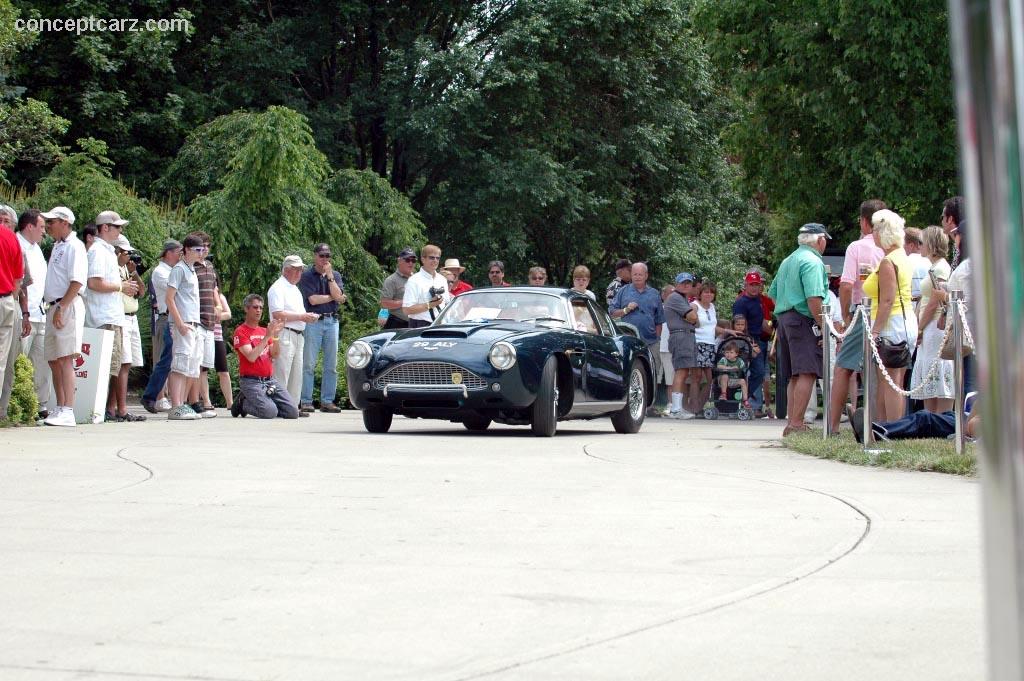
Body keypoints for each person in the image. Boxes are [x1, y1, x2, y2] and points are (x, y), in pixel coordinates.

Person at [827, 199, 887, 434]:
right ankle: (884, 422)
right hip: (889, 312)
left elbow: (846, 284)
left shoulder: (857, 247)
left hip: (863, 310)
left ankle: (832, 426)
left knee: (843, 366)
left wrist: (844, 313)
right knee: (885, 370)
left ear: (864, 221)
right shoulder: (893, 247)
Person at [767, 223, 830, 436]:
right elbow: (814, 299)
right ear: (820, 240)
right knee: (807, 372)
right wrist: (824, 327)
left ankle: (793, 421)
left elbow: (773, 293)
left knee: (795, 374)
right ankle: (796, 423)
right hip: (803, 319)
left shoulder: (788, 260)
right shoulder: (812, 262)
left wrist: (787, 307)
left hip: (785, 319)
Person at [863, 208, 915, 423]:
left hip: (891, 324)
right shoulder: (901, 256)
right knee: (894, 381)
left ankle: (891, 427)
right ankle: (885, 427)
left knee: (890, 381)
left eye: (875, 229)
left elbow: (887, 300)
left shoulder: (888, 262)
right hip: (902, 320)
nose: (872, 233)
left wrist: (874, 331)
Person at [85, 211, 136, 423]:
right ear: (105, 228)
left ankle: (103, 410)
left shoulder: (107, 251)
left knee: (113, 366)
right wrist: (120, 286)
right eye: (117, 227)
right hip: (103, 317)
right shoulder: (98, 251)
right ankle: (98, 410)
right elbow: (94, 283)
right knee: (105, 367)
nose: (120, 231)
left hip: (112, 316)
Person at [40, 206, 86, 427]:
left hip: (65, 305)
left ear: (65, 222)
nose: (48, 225)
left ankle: (68, 409)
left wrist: (62, 307)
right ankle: (60, 406)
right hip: (54, 305)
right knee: (54, 359)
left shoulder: (75, 246)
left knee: (65, 358)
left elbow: (77, 281)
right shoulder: (59, 245)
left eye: (52, 221)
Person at [232, 293, 298, 419]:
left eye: (261, 308)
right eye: (255, 307)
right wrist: (268, 336)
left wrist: (276, 335)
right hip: (251, 381)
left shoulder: (263, 330)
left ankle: (267, 403)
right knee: (269, 412)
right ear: (246, 309)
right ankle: (242, 403)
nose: (259, 310)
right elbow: (251, 357)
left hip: (269, 380)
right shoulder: (241, 331)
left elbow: (275, 354)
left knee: (293, 412)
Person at [298, 243, 347, 413]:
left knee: (331, 365)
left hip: (332, 321)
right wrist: (334, 298)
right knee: (309, 364)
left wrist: (330, 277)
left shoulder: (335, 275)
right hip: (313, 322)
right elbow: (313, 300)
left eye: (327, 256)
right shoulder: (306, 275)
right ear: (315, 256)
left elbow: (339, 297)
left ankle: (327, 401)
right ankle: (306, 400)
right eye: (322, 256)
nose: (325, 259)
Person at [910, 226, 954, 413]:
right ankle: (931, 416)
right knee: (929, 372)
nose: (920, 246)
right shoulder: (933, 267)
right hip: (929, 327)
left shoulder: (941, 268)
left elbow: (935, 301)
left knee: (937, 369)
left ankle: (941, 416)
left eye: (922, 242)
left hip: (935, 327)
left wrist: (918, 328)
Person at [105, 232, 147, 422]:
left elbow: (141, 291)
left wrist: (134, 272)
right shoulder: (113, 268)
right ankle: (118, 408)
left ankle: (115, 407)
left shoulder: (125, 269)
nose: (129, 257)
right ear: (117, 251)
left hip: (132, 317)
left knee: (126, 363)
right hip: (119, 317)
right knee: (122, 363)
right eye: (126, 253)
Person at [611, 263, 665, 408]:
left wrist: (657, 338)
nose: (637, 277)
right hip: (630, 342)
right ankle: (629, 405)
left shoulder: (654, 294)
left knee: (652, 373)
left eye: (640, 274)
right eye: (635, 274)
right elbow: (612, 312)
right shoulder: (623, 291)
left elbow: (659, 320)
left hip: (651, 342)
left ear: (646, 276)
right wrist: (626, 310)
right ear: (631, 275)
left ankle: (650, 406)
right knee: (630, 372)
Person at [269, 255, 318, 413]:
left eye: (301, 270)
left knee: (296, 373)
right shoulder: (278, 288)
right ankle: (279, 405)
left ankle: (292, 406)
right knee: (282, 371)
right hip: (284, 333)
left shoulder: (294, 289)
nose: (299, 273)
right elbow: (277, 314)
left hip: (298, 334)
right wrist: (302, 317)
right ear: (286, 270)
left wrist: (306, 317)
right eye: (296, 269)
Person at [165, 234, 205, 421]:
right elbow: (169, 298)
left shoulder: (192, 270)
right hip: (183, 323)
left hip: (194, 323)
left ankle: (181, 403)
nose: (201, 253)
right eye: (197, 250)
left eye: (202, 249)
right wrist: (179, 322)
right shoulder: (179, 270)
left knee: (190, 366)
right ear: (187, 250)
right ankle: (176, 406)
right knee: (179, 364)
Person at [140, 239, 181, 413]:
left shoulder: (174, 271)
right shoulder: (160, 271)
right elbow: (177, 291)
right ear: (169, 252)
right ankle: (154, 396)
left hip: (177, 318)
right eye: (179, 252)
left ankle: (165, 397)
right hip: (166, 318)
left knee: (173, 361)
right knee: (165, 360)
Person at [15, 210, 49, 416]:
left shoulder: (37, 249)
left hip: (40, 313)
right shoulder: (17, 244)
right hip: (22, 314)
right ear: (30, 226)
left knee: (41, 361)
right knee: (19, 360)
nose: (44, 232)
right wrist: (25, 312)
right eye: (41, 227)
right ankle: (17, 404)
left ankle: (40, 404)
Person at [189, 232, 220, 418]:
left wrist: (218, 305)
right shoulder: (191, 267)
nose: (205, 250)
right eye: (202, 246)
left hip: (210, 320)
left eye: (208, 246)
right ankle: (196, 400)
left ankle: (203, 399)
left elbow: (214, 289)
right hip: (197, 319)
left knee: (205, 365)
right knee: (195, 364)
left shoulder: (209, 266)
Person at [732, 271, 772, 416]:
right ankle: (739, 397)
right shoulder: (741, 302)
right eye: (751, 285)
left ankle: (743, 398)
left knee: (759, 373)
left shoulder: (760, 300)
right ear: (746, 285)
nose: (754, 288)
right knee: (756, 372)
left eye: (757, 284)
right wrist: (749, 342)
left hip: (761, 339)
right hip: (747, 341)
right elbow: (738, 325)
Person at [663, 272, 700, 419]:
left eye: (689, 283)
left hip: (686, 335)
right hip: (680, 335)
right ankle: (676, 409)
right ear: (677, 284)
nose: (686, 285)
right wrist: (694, 312)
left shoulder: (683, 299)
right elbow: (692, 317)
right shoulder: (676, 297)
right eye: (683, 282)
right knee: (681, 371)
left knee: (684, 372)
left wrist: (693, 315)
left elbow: (697, 322)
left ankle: (677, 407)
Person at [0, 205, 24, 421]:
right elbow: (18, 278)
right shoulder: (11, 239)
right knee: (2, 361)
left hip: (8, 301)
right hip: (7, 301)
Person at [402, 244, 451, 328]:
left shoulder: (442, 279)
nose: (435, 260)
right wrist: (430, 304)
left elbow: (447, 303)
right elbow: (406, 310)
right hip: (419, 325)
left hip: (440, 324)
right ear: (423, 259)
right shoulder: (414, 280)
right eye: (432, 257)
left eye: (437, 258)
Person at [693, 282, 725, 411]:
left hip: (710, 344)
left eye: (711, 292)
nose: (709, 294)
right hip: (697, 343)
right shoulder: (694, 305)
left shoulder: (712, 307)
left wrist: (728, 331)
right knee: (697, 377)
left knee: (710, 378)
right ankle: (694, 408)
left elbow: (712, 327)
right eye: (706, 292)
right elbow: (692, 320)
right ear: (700, 293)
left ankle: (700, 406)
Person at [380, 248, 416, 329]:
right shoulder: (391, 280)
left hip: (415, 324)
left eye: (413, 260)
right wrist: (406, 302)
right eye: (407, 260)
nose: (411, 263)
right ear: (399, 261)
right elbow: (384, 303)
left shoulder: (417, 279)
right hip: (397, 323)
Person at [213, 292, 234, 411]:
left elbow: (228, 314)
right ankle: (206, 401)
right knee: (202, 370)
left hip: (217, 336)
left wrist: (216, 315)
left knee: (223, 370)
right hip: (202, 335)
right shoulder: (199, 293)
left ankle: (230, 402)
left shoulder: (220, 297)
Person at [904, 227, 929, 311]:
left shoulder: (905, 262)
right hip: (927, 308)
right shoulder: (930, 262)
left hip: (910, 308)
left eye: (902, 245)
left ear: (911, 245)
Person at [941, 196, 965, 268]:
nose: (941, 221)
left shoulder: (963, 247)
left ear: (950, 219)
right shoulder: (959, 246)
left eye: (943, 217)